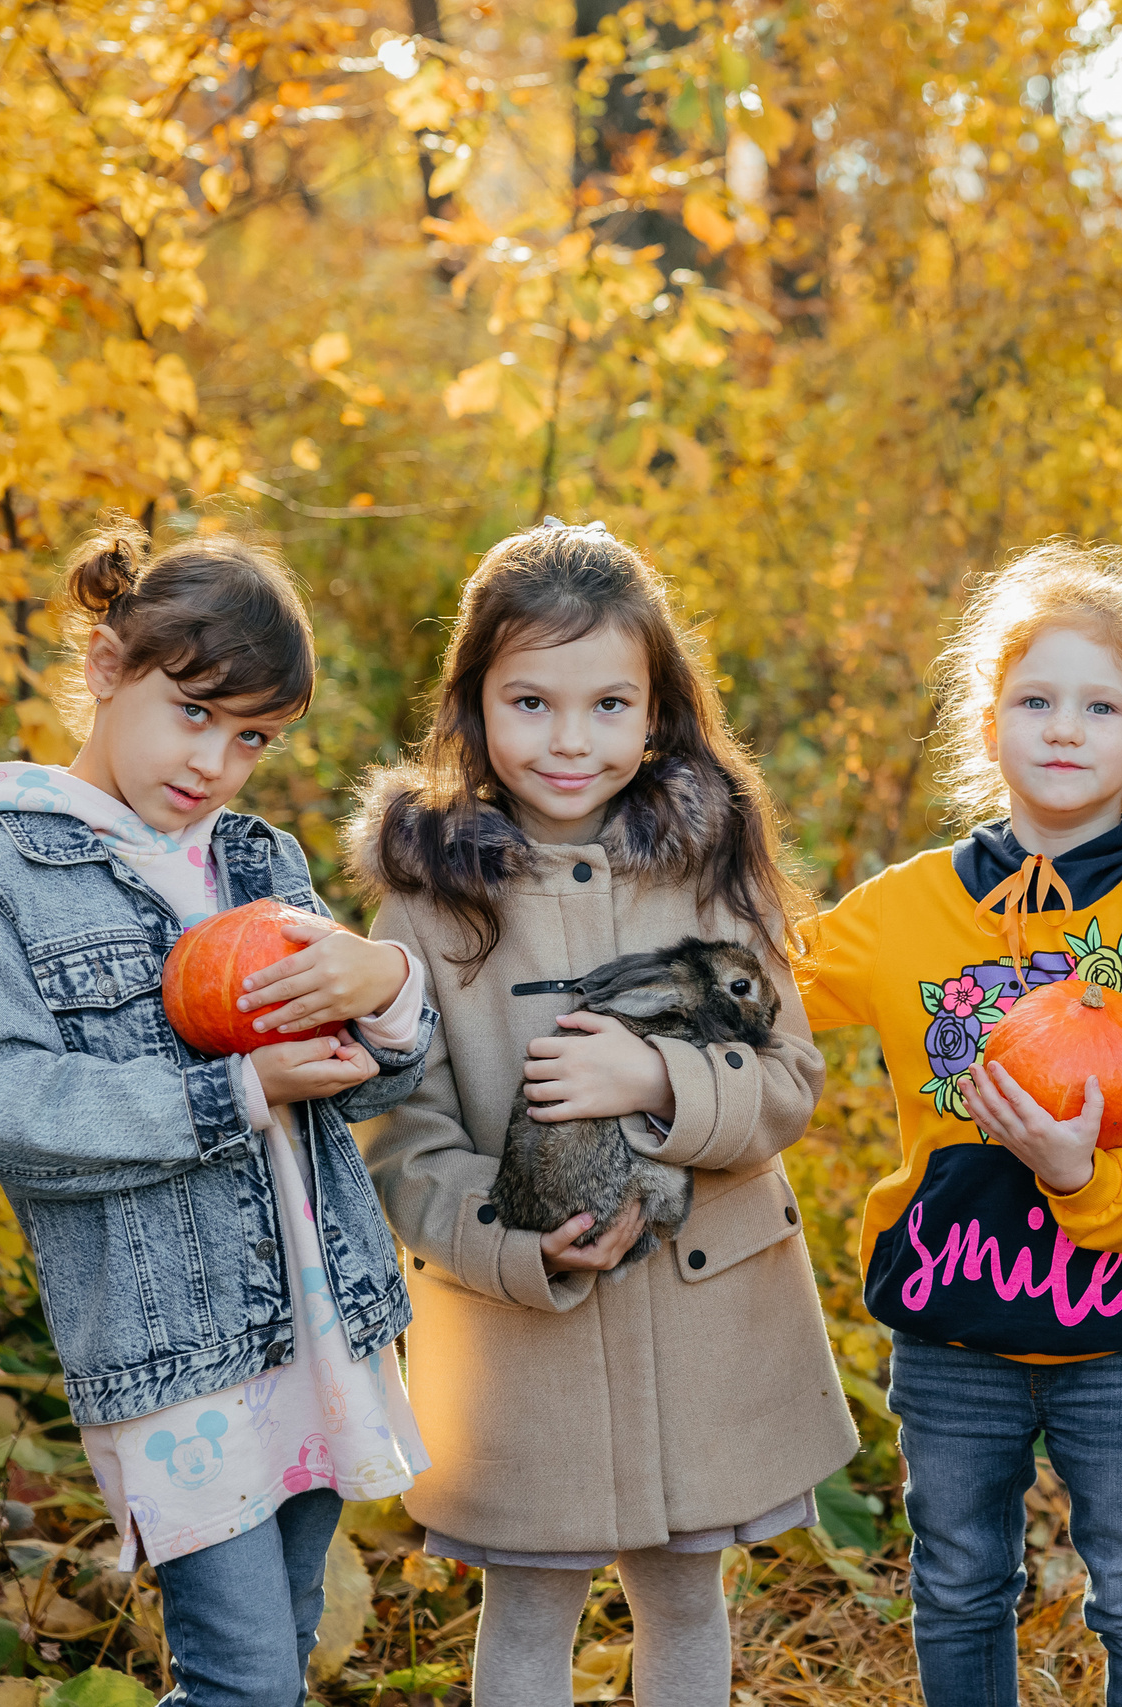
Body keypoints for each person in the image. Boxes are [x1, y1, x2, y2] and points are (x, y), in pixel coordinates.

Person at [346, 519, 855, 1707]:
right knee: (528, 1606)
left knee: (685, 1592)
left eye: (607, 706)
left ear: (657, 709)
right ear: (473, 705)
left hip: (705, 1316)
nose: (570, 741)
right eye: (531, 703)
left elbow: (787, 1080)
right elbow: (403, 1141)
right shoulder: (424, 913)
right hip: (526, 1336)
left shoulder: (709, 869)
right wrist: (514, 1236)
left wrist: (661, 1082)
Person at [0, 516, 434, 1707]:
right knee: (245, 1676)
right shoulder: (0, 878)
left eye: (250, 736)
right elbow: (6, 1102)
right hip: (175, 1357)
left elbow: (383, 1080)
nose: (212, 760)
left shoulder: (261, 865)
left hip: (321, 1328)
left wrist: (387, 985)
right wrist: (233, 1091)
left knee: (283, 1644)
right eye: (191, 712)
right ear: (108, 670)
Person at [797, 543, 1122, 1707]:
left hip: (1117, 1331)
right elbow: (768, 976)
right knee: (958, 1582)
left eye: (1099, 705)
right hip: (952, 1327)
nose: (1063, 728)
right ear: (989, 726)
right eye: (1034, 701)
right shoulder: (907, 906)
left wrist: (1080, 1179)